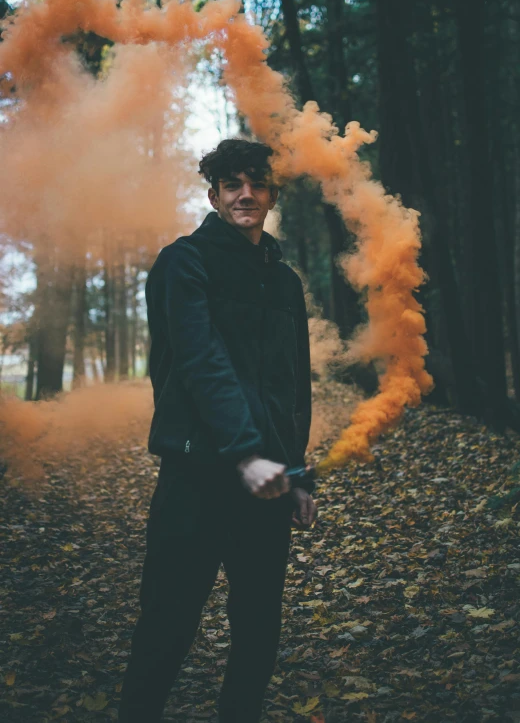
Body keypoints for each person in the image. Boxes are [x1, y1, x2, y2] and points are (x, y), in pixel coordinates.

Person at [118, 138, 317, 723]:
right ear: (213, 194)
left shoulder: (284, 283)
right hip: (197, 476)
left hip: (269, 487)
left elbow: (291, 387)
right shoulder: (185, 261)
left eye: (257, 184)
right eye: (233, 185)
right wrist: (245, 452)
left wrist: (300, 473)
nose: (246, 195)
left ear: (272, 195)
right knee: (166, 628)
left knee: (258, 635)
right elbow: (202, 361)